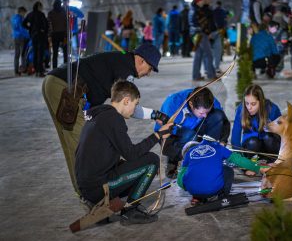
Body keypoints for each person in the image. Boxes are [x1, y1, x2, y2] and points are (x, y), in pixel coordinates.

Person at [42, 43, 168, 195]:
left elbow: (125, 105)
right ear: (141, 60)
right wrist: (155, 116)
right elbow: (127, 106)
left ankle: (92, 191)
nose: (148, 73)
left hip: (59, 83)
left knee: (82, 141)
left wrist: (155, 115)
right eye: (150, 68)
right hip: (65, 88)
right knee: (80, 145)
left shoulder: (121, 62)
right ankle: (88, 197)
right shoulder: (125, 70)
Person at [75, 80, 173, 225]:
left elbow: (106, 155)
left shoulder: (100, 114)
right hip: (97, 188)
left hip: (86, 186)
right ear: (126, 101)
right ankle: (130, 211)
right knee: (151, 161)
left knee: (137, 166)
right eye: (135, 104)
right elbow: (131, 154)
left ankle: (100, 205)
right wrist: (158, 135)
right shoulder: (113, 119)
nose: (135, 109)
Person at [154, 87, 230, 178]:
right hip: (173, 136)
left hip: (197, 128)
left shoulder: (212, 101)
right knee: (190, 136)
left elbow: (224, 122)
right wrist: (186, 156)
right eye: (202, 113)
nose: (205, 115)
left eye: (207, 112)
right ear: (191, 104)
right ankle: (172, 162)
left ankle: (209, 156)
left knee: (217, 115)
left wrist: (222, 141)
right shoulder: (173, 104)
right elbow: (165, 144)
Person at [177, 138, 269, 205]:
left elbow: (180, 181)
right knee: (227, 170)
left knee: (192, 175)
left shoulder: (190, 152)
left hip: (193, 191)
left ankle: (197, 197)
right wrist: (258, 168)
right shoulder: (218, 147)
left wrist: (191, 187)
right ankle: (223, 196)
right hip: (212, 190)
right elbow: (239, 160)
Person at [231, 84, 281, 167]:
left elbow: (283, 134)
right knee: (253, 142)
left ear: (261, 102)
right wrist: (243, 163)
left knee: (268, 138)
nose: (249, 107)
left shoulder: (272, 109)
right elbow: (235, 138)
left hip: (270, 148)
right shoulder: (241, 109)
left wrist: (281, 158)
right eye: (247, 103)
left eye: (253, 104)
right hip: (253, 148)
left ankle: (272, 160)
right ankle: (253, 161)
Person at [189, 0, 216, 81]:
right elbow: (194, 23)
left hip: (198, 34)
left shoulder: (197, 9)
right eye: (202, 0)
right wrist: (203, 31)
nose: (204, 0)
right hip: (200, 34)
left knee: (199, 55)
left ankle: (196, 75)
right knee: (209, 54)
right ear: (198, 1)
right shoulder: (195, 10)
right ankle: (211, 75)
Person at [22, 1, 49, 77]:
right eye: (41, 7)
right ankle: (40, 71)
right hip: (41, 36)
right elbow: (46, 25)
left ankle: (36, 70)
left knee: (35, 53)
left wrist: (30, 28)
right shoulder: (41, 14)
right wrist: (44, 32)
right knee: (40, 53)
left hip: (33, 36)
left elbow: (23, 23)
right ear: (38, 6)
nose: (42, 8)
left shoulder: (30, 14)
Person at [47, 0, 67, 69]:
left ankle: (55, 69)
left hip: (54, 35)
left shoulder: (50, 13)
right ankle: (65, 68)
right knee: (65, 52)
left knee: (55, 53)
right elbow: (66, 24)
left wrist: (49, 35)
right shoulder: (64, 12)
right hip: (64, 35)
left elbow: (49, 25)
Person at [11, 6, 29, 76]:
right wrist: (28, 36)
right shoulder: (21, 19)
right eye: (24, 13)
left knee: (16, 54)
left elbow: (15, 28)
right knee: (23, 54)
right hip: (21, 37)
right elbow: (22, 29)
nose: (24, 14)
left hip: (15, 37)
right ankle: (23, 69)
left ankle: (16, 71)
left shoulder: (13, 18)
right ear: (21, 12)